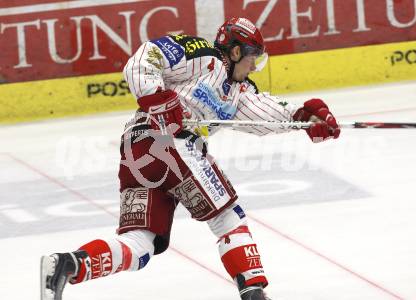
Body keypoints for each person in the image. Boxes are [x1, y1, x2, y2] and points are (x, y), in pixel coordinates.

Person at [40, 17, 340, 300]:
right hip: (167, 141)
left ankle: (66, 266)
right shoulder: (203, 55)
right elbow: (144, 59)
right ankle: (254, 294)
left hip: (139, 150)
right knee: (227, 218)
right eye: (252, 57)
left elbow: (267, 114)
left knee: (140, 245)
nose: (254, 66)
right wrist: (156, 96)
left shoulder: (238, 91)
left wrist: (305, 117)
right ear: (235, 51)